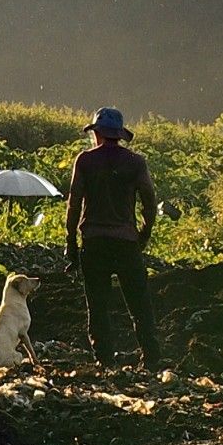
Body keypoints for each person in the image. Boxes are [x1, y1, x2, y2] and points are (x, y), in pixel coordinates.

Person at [64, 107, 162, 371]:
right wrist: (144, 233)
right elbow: (150, 201)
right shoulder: (135, 162)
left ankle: (105, 361)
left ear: (96, 133)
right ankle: (151, 358)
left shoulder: (85, 161)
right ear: (119, 135)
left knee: (98, 305)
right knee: (140, 303)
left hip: (94, 242)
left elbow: (73, 205)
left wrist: (71, 243)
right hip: (126, 241)